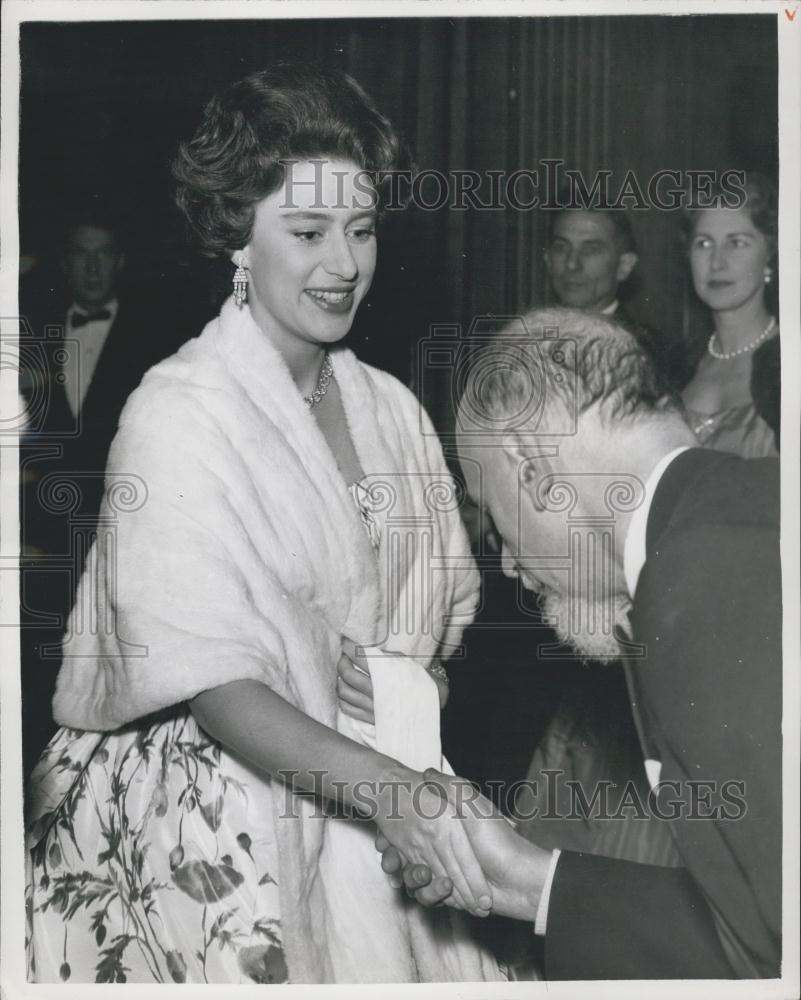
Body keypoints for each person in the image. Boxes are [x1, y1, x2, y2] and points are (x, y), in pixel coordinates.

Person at [25, 66, 502, 985]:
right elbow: (213, 682)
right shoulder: (178, 412)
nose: (344, 264)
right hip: (220, 828)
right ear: (237, 237)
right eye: (309, 231)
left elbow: (440, 634)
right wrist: (387, 782)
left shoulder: (392, 406)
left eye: (361, 230)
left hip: (390, 802)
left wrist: (403, 709)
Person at [377, 307, 781, 980]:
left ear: (532, 468)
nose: (506, 563)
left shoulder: (693, 584)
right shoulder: (740, 510)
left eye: (495, 517)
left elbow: (770, 957)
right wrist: (527, 882)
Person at [19, 206, 202, 777]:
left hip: (125, 548)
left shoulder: (162, 342)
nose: (93, 268)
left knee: (119, 700)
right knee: (39, 695)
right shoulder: (29, 334)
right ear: (63, 263)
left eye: (104, 254)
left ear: (120, 262)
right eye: (80, 254)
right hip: (42, 555)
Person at [680, 172, 780, 457]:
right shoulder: (673, 368)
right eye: (703, 243)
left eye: (736, 243)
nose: (717, 262)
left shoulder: (791, 365)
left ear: (770, 255)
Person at [544, 204, 687, 387]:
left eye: (590, 250)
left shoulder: (654, 354)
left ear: (624, 266)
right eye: (561, 247)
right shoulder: (522, 341)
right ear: (547, 260)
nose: (572, 264)